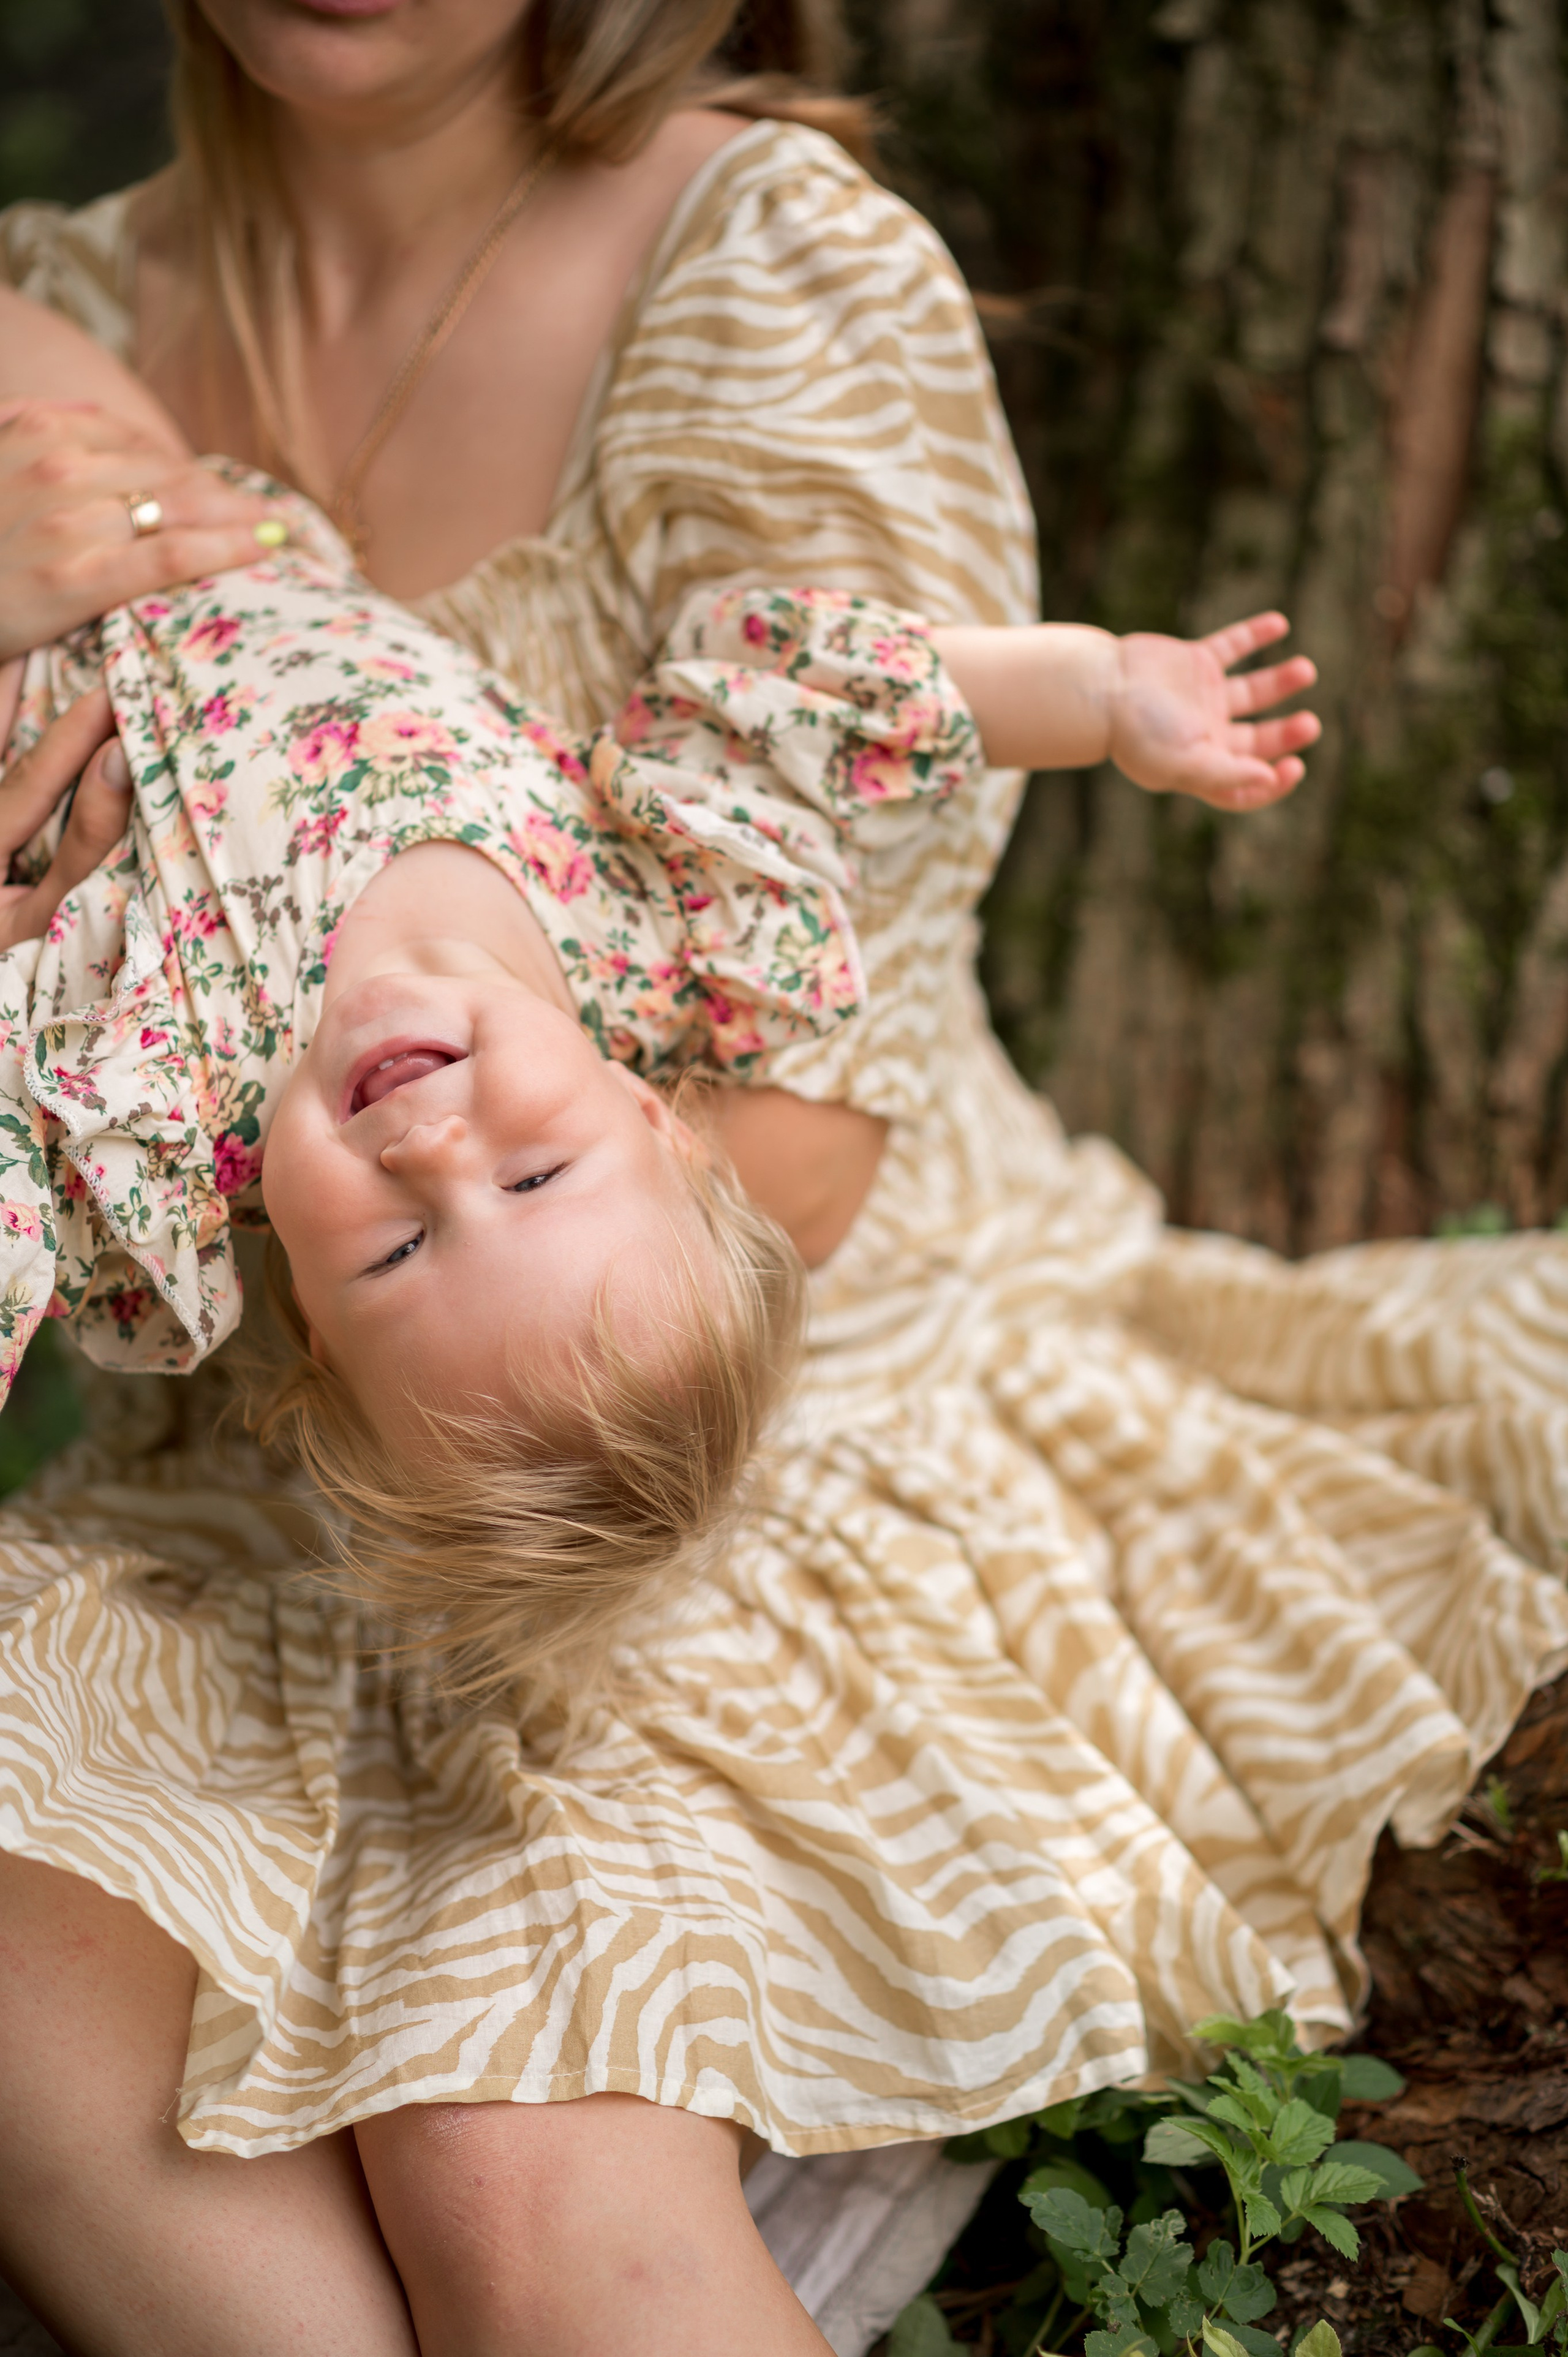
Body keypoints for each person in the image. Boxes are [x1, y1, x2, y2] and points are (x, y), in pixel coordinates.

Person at [2, 10, 1567, 2357]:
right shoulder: (56, 313)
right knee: (34, 1995)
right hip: (248, 1471)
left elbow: (798, 1139)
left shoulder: (769, 271)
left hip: (727, 1421)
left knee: (510, 2126)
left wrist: (296, 1134)